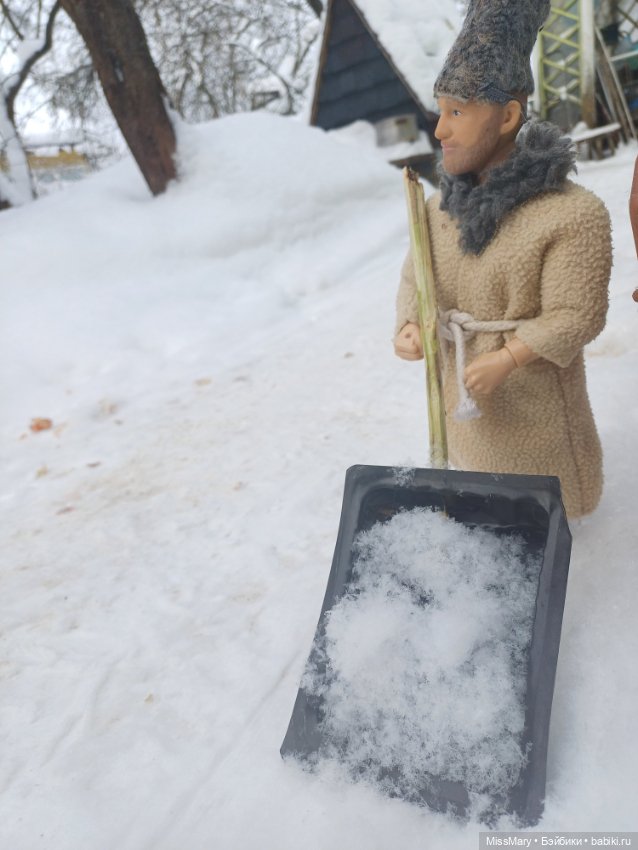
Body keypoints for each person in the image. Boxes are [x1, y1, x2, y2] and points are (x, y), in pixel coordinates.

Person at [394, 0, 613, 518]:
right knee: (475, 473)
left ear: (508, 116)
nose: (440, 131)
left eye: (457, 112)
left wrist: (510, 357)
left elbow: (576, 315)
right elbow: (415, 276)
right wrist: (410, 323)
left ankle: (561, 513)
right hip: (463, 406)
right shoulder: (435, 209)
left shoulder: (570, 215)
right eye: (440, 110)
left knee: (546, 497)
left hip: (537, 418)